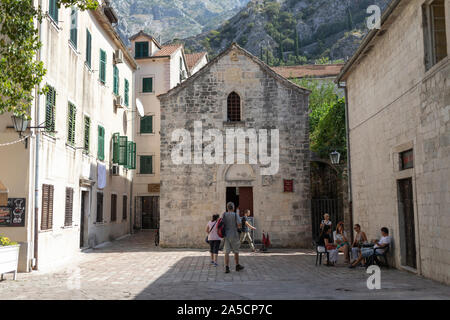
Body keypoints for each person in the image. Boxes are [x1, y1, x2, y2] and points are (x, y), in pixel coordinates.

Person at [223, 202, 244, 273]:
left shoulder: (224, 214)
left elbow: (222, 223)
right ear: (233, 208)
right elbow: (239, 224)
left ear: (227, 208)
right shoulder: (235, 215)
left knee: (226, 252)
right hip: (234, 235)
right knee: (236, 251)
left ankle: (227, 267)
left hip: (226, 235)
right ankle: (237, 265)